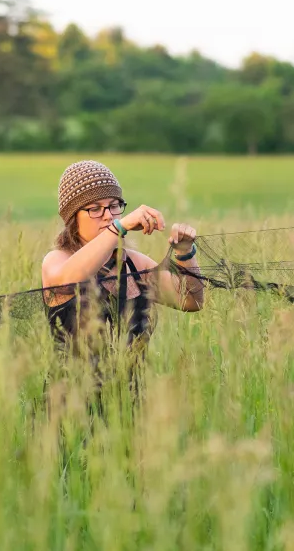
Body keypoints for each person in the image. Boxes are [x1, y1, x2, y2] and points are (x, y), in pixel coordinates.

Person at [40, 159, 205, 406]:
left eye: (114, 206)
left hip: (129, 409)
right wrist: (120, 227)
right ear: (73, 217)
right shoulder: (57, 261)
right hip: (70, 410)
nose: (107, 216)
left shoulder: (135, 265)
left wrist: (185, 253)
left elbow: (191, 301)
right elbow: (68, 280)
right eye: (95, 208)